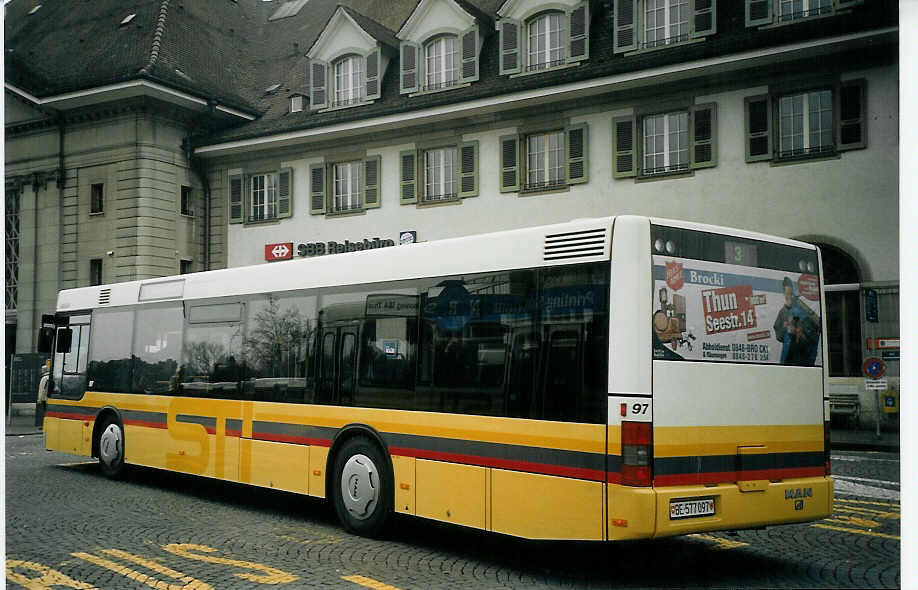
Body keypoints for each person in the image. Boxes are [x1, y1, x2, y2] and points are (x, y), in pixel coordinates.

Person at [773, 277, 820, 366]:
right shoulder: (782, 312)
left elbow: (815, 327)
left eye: (790, 293)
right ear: (783, 293)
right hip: (788, 356)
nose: (789, 296)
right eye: (787, 294)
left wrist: (800, 330)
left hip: (803, 355)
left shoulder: (801, 306)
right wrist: (785, 328)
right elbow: (778, 335)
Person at [35, 361, 50, 428]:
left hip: (44, 398)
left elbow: (42, 389)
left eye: (42, 369)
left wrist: (39, 399)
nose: (41, 371)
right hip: (49, 398)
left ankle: (44, 425)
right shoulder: (50, 377)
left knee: (45, 413)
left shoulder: (44, 378)